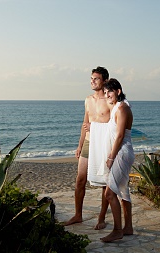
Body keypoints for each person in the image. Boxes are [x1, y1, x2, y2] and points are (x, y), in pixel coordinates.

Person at [64, 66, 110, 229]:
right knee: (80, 179)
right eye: (91, 78)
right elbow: (85, 124)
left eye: (96, 78)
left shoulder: (110, 100)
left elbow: (114, 125)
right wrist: (80, 145)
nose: (92, 81)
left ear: (104, 80)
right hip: (89, 143)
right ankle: (78, 215)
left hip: (104, 144)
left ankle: (102, 218)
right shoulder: (88, 99)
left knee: (105, 182)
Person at [100, 78, 135, 242]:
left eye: (110, 92)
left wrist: (111, 157)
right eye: (105, 92)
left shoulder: (122, 109)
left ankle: (117, 230)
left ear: (118, 92)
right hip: (123, 152)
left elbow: (120, 135)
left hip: (121, 152)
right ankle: (128, 227)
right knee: (123, 190)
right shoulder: (119, 107)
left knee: (109, 193)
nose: (107, 95)